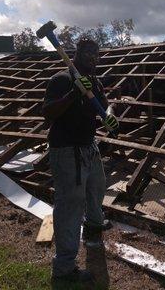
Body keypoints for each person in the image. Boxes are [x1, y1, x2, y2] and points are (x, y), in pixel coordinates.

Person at [42, 37, 118, 285]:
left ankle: (94, 228)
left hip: (89, 146)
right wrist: (73, 93)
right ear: (75, 55)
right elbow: (48, 113)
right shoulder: (62, 80)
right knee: (70, 205)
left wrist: (109, 117)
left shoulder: (94, 82)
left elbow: (106, 107)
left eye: (96, 54)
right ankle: (64, 269)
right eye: (88, 54)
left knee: (97, 188)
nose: (93, 59)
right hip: (66, 150)